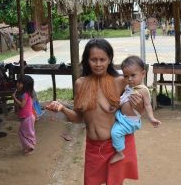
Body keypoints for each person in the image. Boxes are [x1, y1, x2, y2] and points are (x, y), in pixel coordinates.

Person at [46, 38, 144, 185]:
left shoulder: (120, 81)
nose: (98, 64)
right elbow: (78, 118)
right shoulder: (80, 84)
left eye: (102, 59)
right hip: (93, 148)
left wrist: (139, 105)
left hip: (117, 146)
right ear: (87, 60)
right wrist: (62, 108)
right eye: (93, 60)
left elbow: (136, 112)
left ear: (109, 59)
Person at [110, 56, 161, 164]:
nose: (129, 79)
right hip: (122, 116)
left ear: (143, 74)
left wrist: (151, 118)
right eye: (126, 76)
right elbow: (123, 99)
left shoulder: (143, 90)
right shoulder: (128, 87)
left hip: (129, 121)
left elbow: (147, 105)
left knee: (115, 133)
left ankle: (120, 152)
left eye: (133, 75)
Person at [12, 75, 36, 155]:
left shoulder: (25, 94)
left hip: (27, 117)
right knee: (27, 132)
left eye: (20, 83)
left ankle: (30, 147)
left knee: (23, 133)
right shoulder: (27, 94)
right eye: (18, 82)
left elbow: (22, 105)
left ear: (25, 85)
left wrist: (14, 98)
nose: (17, 84)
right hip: (28, 117)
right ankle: (28, 146)